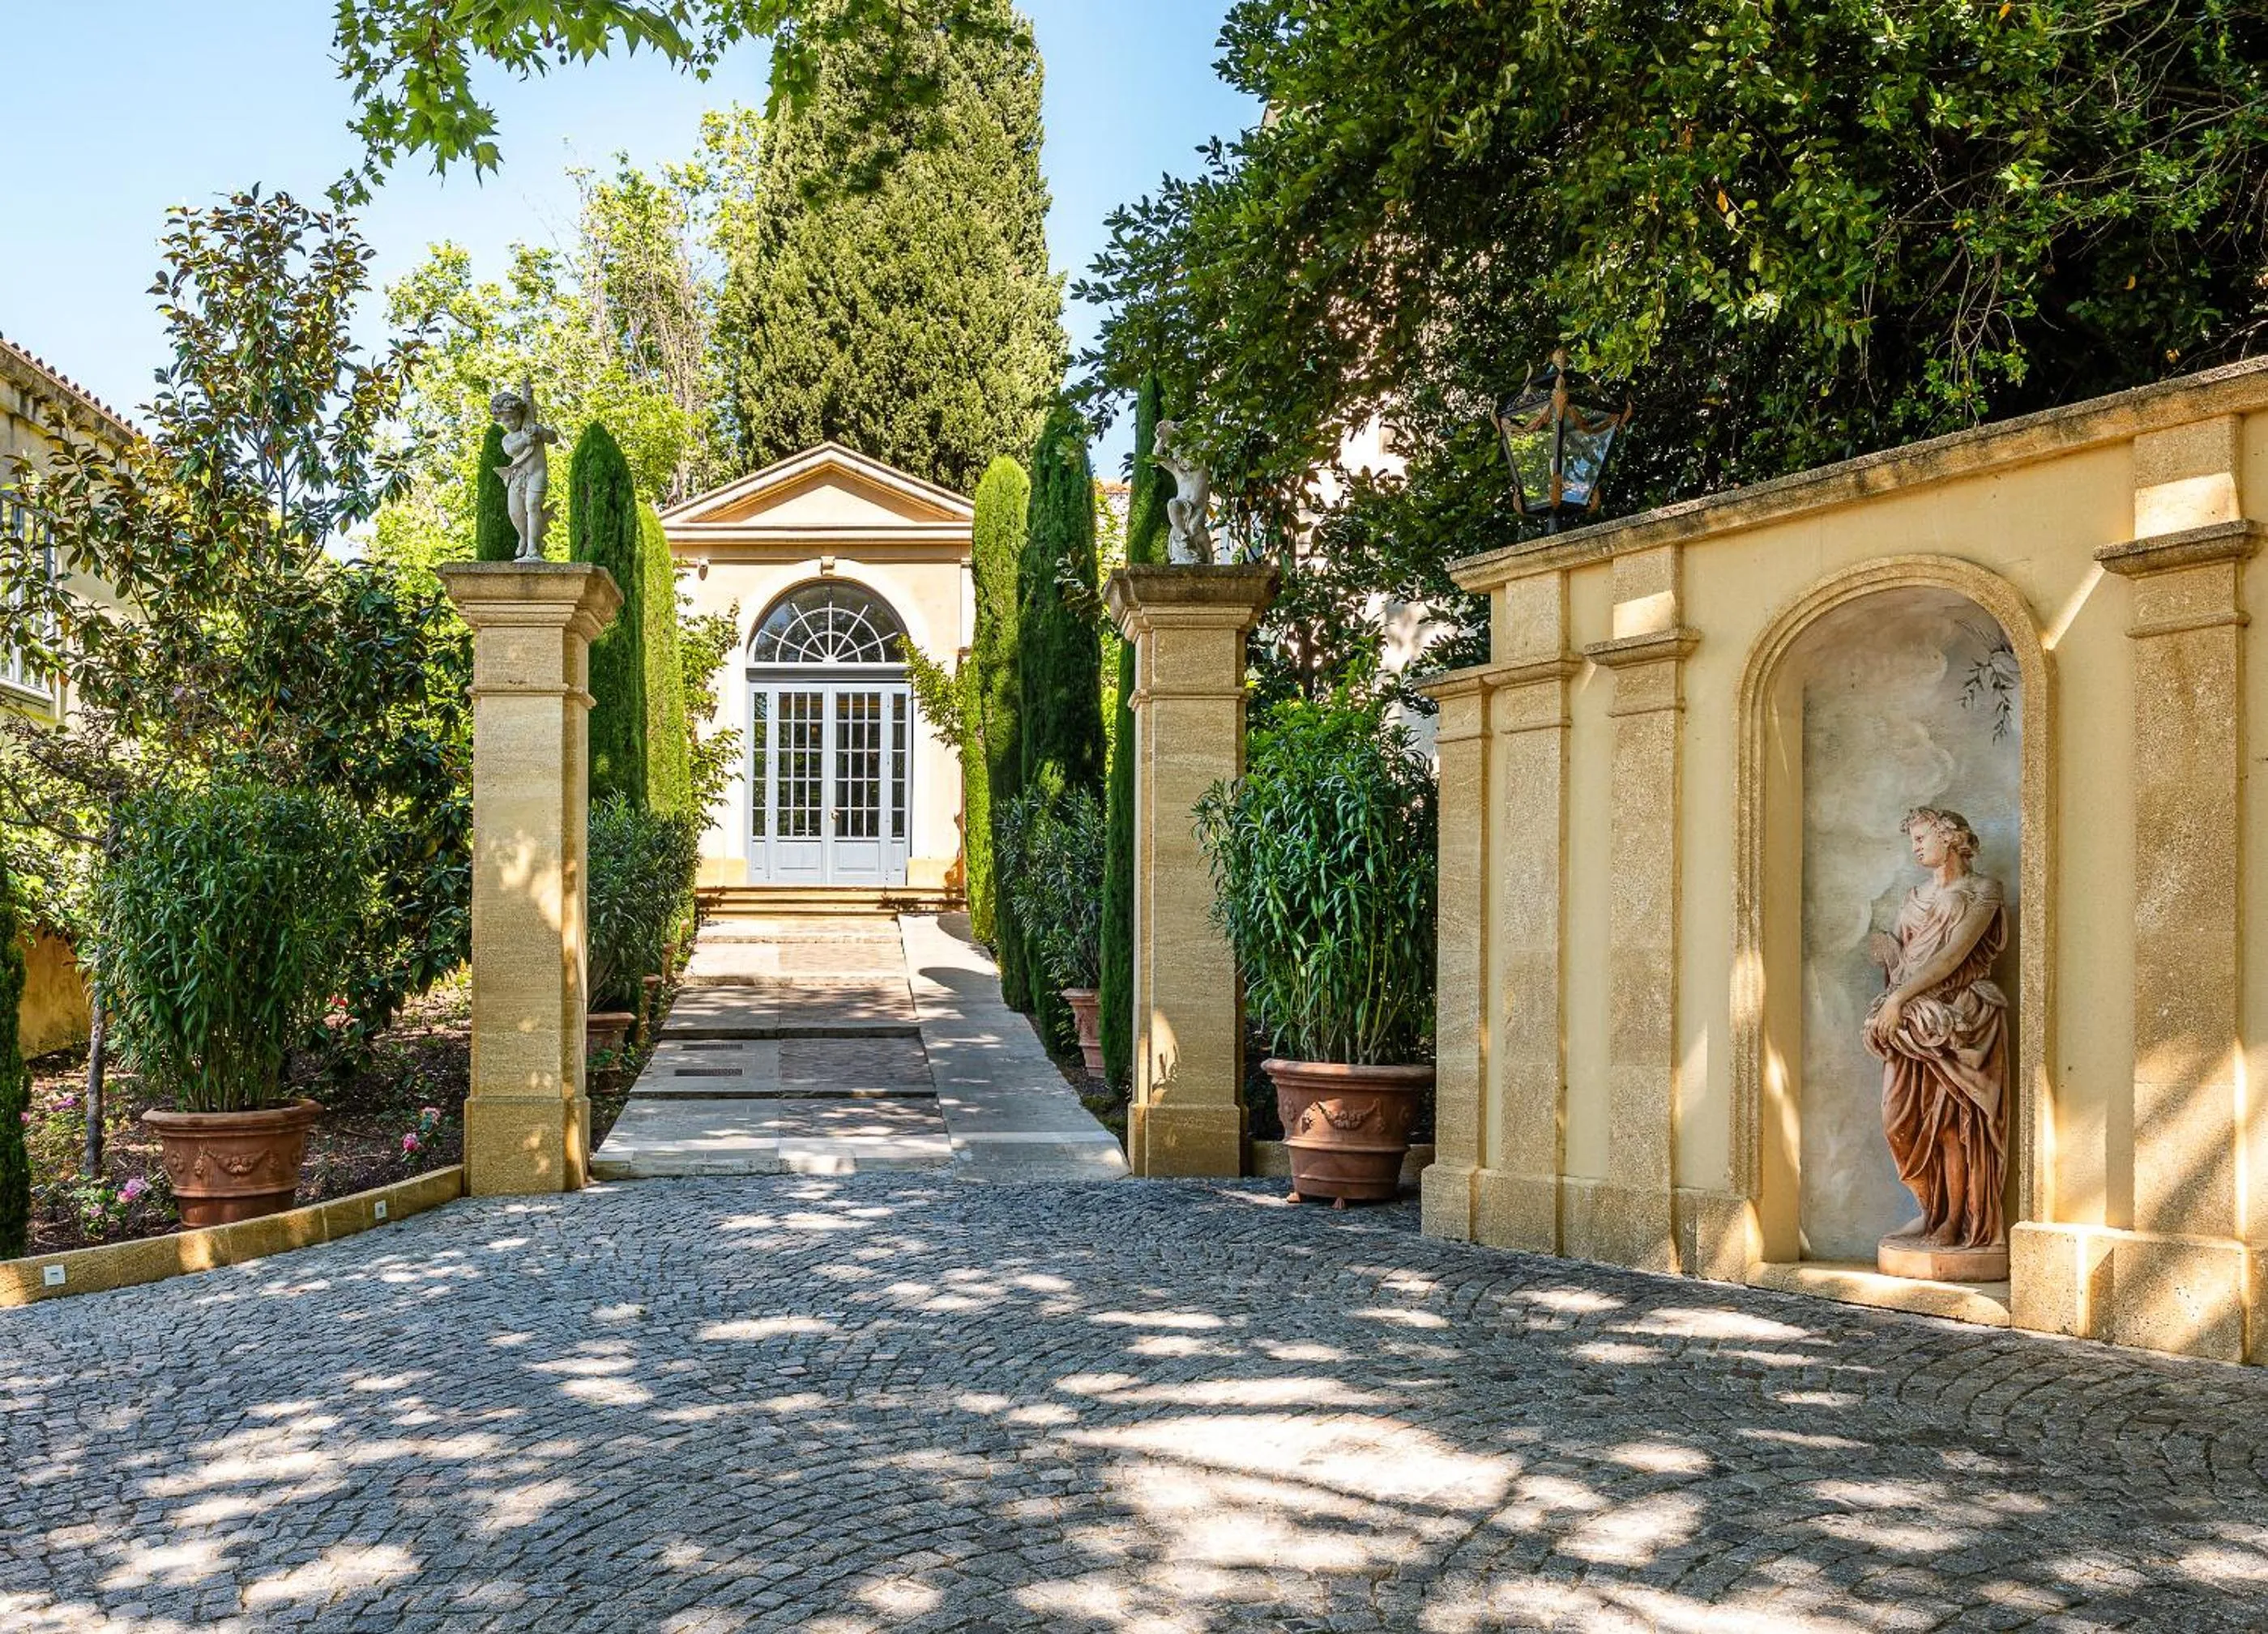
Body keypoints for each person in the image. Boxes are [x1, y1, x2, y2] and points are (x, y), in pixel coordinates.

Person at [1864, 806, 2010, 1252]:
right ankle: (1930, 1211)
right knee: (1897, 1118)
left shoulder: (1983, 891)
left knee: (1951, 1124)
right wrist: (1889, 960)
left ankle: (1954, 1222)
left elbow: (1952, 957)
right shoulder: (1914, 897)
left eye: (1924, 836)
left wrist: (1898, 999)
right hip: (1910, 1020)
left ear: (1951, 837)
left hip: (1960, 1018)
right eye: (1913, 839)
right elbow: (1908, 959)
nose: (1916, 845)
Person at [491, 381, 558, 562]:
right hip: (517, 476)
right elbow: (511, 451)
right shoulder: (507, 439)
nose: (511, 422)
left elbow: (554, 439)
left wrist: (539, 431)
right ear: (500, 420)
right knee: (515, 513)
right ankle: (524, 536)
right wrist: (525, 441)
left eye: (514, 417)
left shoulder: (532, 428)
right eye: (506, 420)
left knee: (533, 506)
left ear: (521, 415)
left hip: (537, 474)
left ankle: (533, 549)